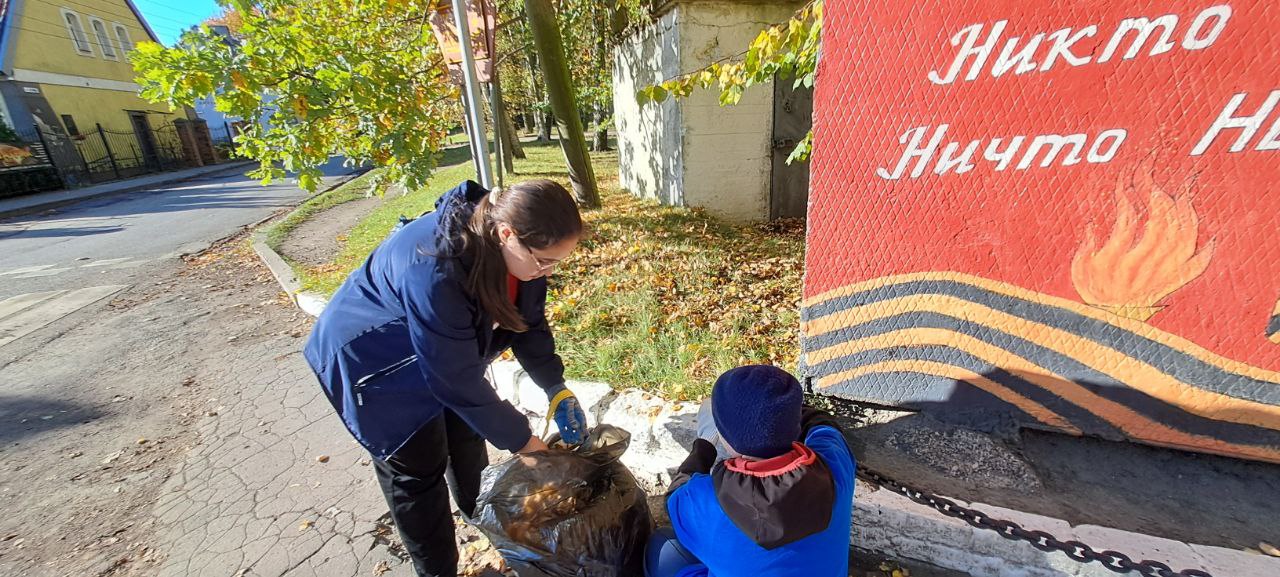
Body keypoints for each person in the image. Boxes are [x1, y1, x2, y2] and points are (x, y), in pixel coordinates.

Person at [303, 179, 590, 577]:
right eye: (544, 262)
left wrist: (554, 386)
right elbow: (454, 378)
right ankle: (438, 570)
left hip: (440, 350)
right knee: (418, 471)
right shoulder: (436, 264)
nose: (548, 271)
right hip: (376, 361)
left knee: (467, 435)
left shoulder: (521, 250)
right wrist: (525, 443)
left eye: (558, 262)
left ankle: (481, 518)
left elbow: (528, 322)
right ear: (507, 234)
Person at [646, 365, 856, 577]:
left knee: (662, 545)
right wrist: (778, 409)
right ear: (795, 427)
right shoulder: (836, 464)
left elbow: (674, 496)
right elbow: (822, 422)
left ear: (726, 440)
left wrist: (705, 444)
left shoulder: (706, 501)